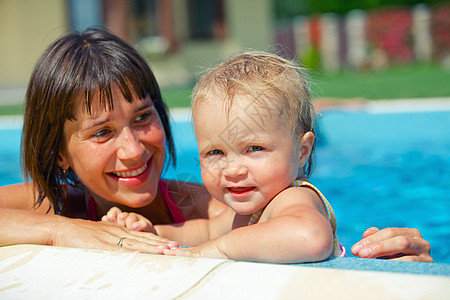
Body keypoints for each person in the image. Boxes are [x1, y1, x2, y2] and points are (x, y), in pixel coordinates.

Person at [0, 28, 433, 263]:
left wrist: (390, 256)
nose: (133, 150)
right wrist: (65, 230)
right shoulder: (60, 204)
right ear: (58, 152)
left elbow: (296, 232)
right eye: (101, 132)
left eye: (143, 117)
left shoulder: (224, 204)